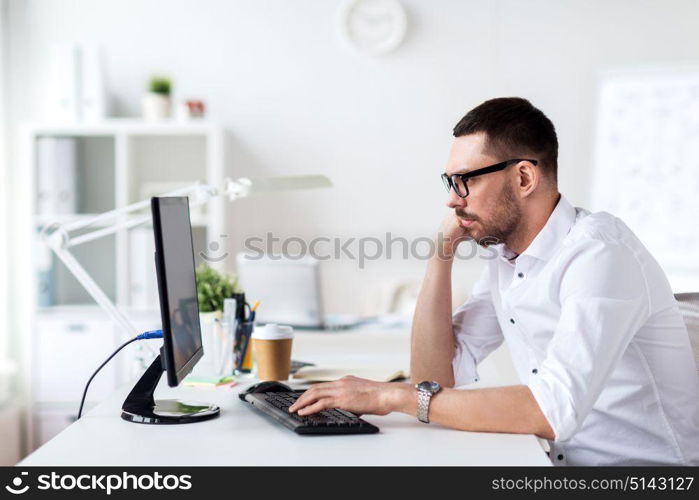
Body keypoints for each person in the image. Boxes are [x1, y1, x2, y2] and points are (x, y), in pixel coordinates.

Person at [289, 97, 699, 466]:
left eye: (466, 180)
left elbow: (551, 411)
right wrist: (441, 253)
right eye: (450, 182)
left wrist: (387, 396)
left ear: (523, 178)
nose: (453, 199)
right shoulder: (508, 259)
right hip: (556, 463)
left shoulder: (600, 254)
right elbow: (436, 377)